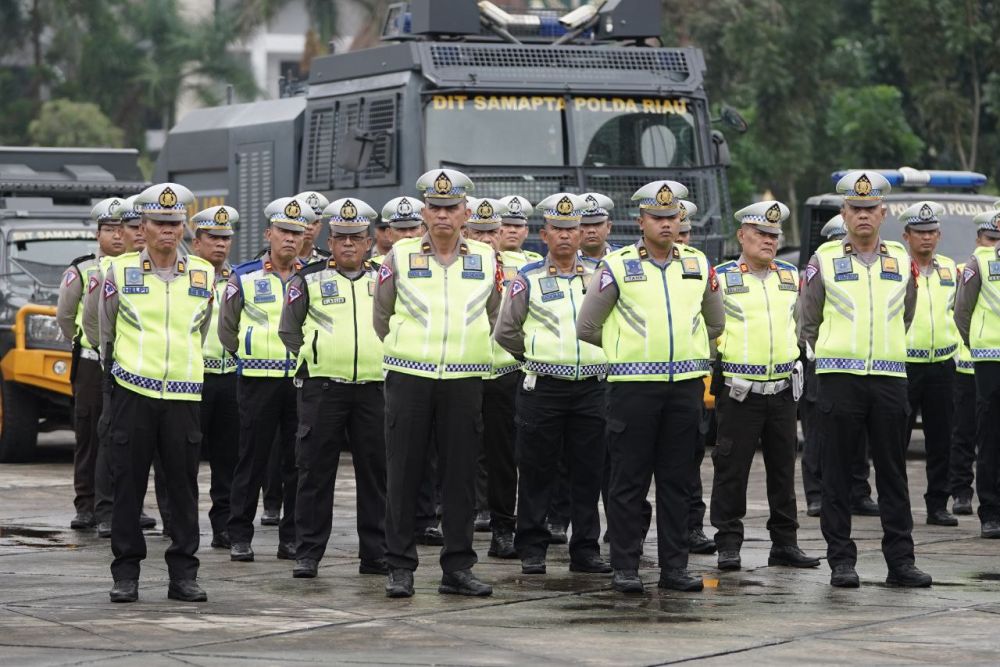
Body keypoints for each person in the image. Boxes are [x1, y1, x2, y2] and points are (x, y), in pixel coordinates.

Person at [577, 180, 724, 594]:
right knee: (629, 481)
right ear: (640, 221)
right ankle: (626, 566)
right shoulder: (618, 266)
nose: (665, 224)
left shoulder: (697, 264)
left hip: (684, 389)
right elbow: (588, 326)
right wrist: (629, 351)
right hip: (632, 389)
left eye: (671, 217)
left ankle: (674, 568)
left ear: (681, 220)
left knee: (678, 482)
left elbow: (716, 322)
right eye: (656, 217)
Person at [799, 170, 931, 588]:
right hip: (839, 378)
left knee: (893, 472)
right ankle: (841, 560)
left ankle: (901, 562)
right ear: (844, 212)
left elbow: (906, 315)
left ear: (883, 213)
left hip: (890, 378)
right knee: (837, 473)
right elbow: (808, 320)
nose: (862, 216)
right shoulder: (823, 260)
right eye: (855, 209)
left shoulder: (900, 261)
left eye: (870, 209)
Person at [374, 168, 501, 598]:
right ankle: (399, 568)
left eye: (451, 208)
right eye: (436, 207)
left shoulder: (486, 257)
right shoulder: (400, 256)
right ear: (424, 211)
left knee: (460, 477)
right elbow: (382, 315)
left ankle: (458, 569)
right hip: (410, 376)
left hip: (464, 379)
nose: (443, 215)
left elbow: (496, 312)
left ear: (466, 211)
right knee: (404, 475)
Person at [101, 182, 214, 603]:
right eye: (158, 223)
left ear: (184, 226)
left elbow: (202, 329)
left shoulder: (202, 273)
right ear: (142, 227)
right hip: (134, 390)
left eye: (174, 222)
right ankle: (126, 574)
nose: (167, 230)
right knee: (128, 485)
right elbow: (102, 327)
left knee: (183, 488)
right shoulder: (118, 271)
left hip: (183, 396)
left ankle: (183, 575)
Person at [494, 192, 611, 576]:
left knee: (588, 472)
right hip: (542, 386)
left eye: (572, 229)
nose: (565, 236)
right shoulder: (527, 278)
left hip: (592, 386)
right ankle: (531, 547)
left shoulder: (600, 275)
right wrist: (535, 355)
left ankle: (586, 549)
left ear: (582, 234)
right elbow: (507, 331)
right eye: (557, 229)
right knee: (536, 470)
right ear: (543, 235)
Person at [279, 198, 388, 578]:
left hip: (376, 388)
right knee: (314, 472)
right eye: (340, 237)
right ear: (329, 238)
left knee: (377, 475)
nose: (347, 245)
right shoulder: (308, 278)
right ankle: (308, 552)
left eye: (356, 238)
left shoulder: (384, 278)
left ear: (370, 241)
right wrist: (314, 355)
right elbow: (288, 330)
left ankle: (376, 553)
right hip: (323, 388)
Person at [710, 201, 819, 571]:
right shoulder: (722, 276)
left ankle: (785, 543)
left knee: (783, 470)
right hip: (740, 390)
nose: (769, 241)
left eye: (774, 235)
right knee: (731, 468)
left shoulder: (790, 275)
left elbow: (804, 321)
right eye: (761, 234)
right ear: (742, 235)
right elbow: (708, 326)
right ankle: (727, 542)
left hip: (783, 389)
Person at [221, 196, 310, 562]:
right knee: (252, 460)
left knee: (296, 462)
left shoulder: (312, 275)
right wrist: (244, 352)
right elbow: (227, 327)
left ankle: (290, 538)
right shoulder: (243, 275)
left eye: (297, 233)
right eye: (284, 231)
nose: (290, 239)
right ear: (268, 234)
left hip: (299, 381)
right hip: (257, 379)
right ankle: (239, 534)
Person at [81, 196, 165, 538]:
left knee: (144, 445)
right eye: (130, 228)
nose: (136, 235)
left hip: (155, 373)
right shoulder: (107, 270)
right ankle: (104, 509)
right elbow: (92, 322)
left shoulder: (161, 268)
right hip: (115, 369)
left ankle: (135, 506)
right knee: (107, 436)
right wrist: (109, 357)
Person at [799, 215, 877, 517]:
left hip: (857, 366)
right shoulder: (819, 268)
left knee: (859, 436)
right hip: (822, 360)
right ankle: (816, 493)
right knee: (819, 433)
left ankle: (859, 492)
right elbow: (808, 318)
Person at [58, 198, 125, 531]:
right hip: (90, 365)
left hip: (126, 364)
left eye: (120, 229)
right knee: (89, 433)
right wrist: (87, 344)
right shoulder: (82, 269)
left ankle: (123, 505)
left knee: (124, 436)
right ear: (97, 233)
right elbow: (65, 316)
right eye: (108, 229)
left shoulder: (135, 268)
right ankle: (86, 504)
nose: (115, 236)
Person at [463, 198, 521, 558]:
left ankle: (503, 529)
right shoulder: (454, 267)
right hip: (464, 370)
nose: (485, 239)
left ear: (501, 234)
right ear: (466, 233)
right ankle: (460, 525)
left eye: (491, 232)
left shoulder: (525, 267)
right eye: (478, 233)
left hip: (505, 372)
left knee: (503, 458)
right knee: (460, 455)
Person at [900, 201, 960, 527]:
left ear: (938, 235)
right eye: (919, 232)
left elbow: (960, 311)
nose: (926, 238)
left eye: (931, 232)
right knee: (896, 439)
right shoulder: (894, 268)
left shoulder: (950, 268)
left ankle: (938, 504)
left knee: (942, 440)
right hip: (906, 364)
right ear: (906, 235)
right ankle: (896, 503)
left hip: (942, 365)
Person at [190, 205, 241, 549]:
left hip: (230, 377)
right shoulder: (184, 276)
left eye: (225, 238)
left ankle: (223, 526)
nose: (220, 245)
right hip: (194, 376)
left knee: (228, 459)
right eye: (213, 238)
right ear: (196, 242)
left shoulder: (240, 278)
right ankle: (178, 521)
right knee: (182, 457)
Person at [953, 209, 1000, 539]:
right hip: (991, 362)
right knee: (991, 439)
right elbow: (962, 313)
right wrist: (978, 344)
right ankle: (991, 512)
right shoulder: (980, 263)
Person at [577, 192, 618, 266]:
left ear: (608, 227)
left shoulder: (622, 257)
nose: (591, 230)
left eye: (597, 224)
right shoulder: (564, 259)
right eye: (585, 225)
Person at [295, 191, 332, 264]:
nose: (310, 227)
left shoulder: (327, 261)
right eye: (305, 222)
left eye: (315, 223)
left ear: (320, 227)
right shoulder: (275, 258)